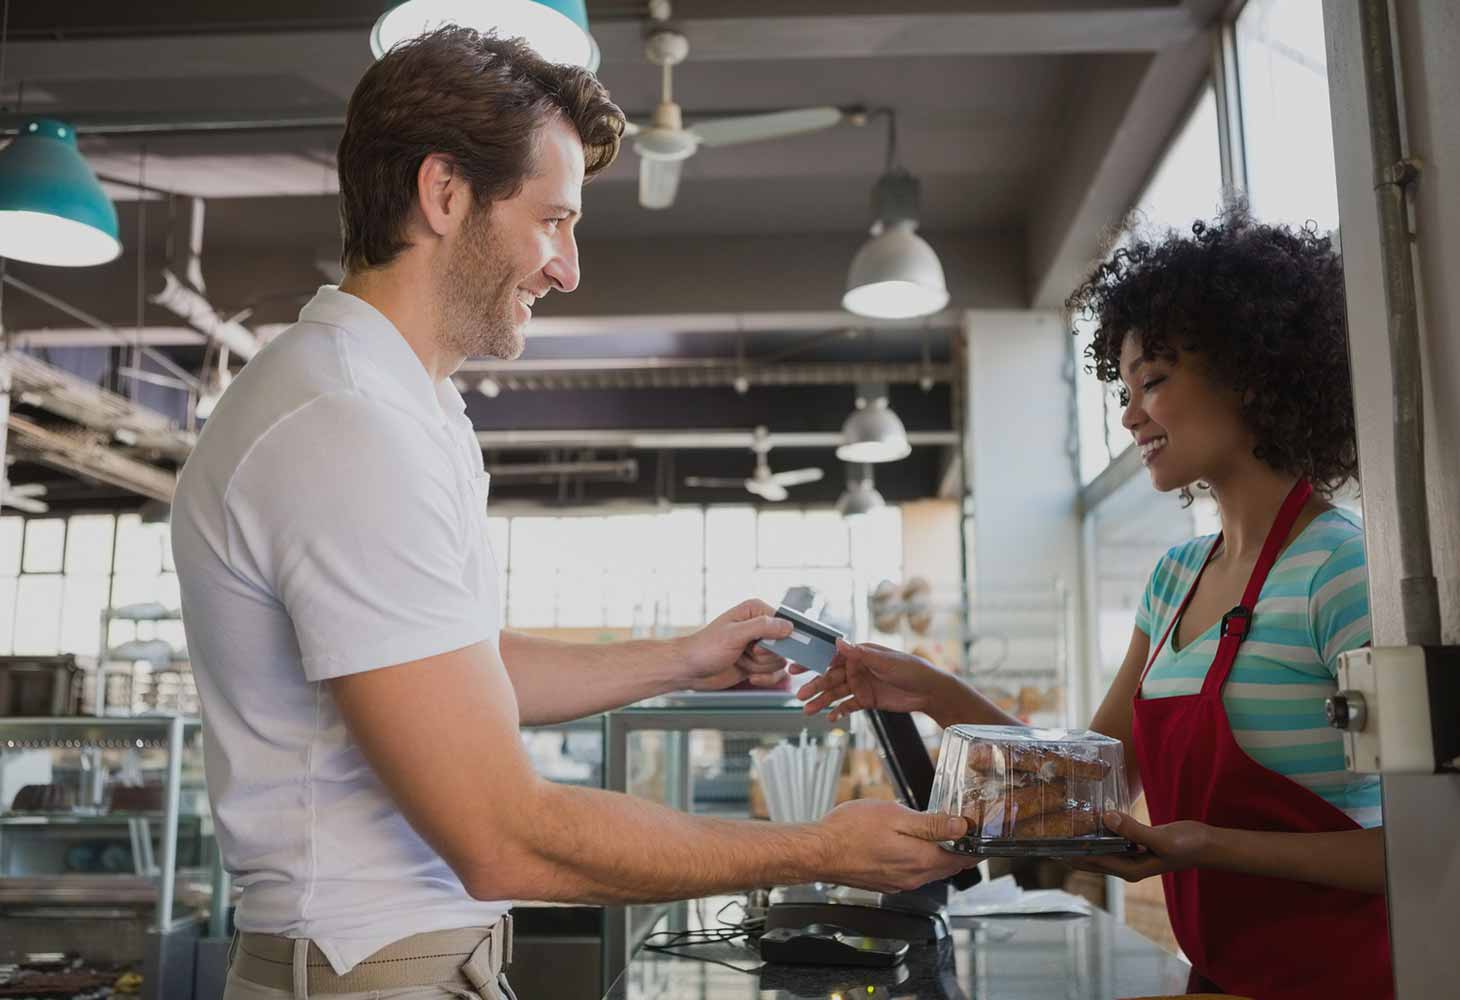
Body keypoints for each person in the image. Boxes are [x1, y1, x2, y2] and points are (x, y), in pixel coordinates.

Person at [172, 28, 974, 1000]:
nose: (568, 267)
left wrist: (684, 657)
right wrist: (815, 847)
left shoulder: (400, 404)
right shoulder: (345, 423)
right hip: (367, 972)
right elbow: (501, 837)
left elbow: (454, 663)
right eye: (553, 219)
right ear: (444, 193)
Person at [795, 210, 1392, 1000]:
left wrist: (1207, 845)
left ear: (1252, 373)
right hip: (1218, 978)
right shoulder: (1176, 577)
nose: (1130, 413)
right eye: (1125, 387)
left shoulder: (1342, 571)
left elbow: (1423, 843)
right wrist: (932, 693)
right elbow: (1092, 789)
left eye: (1154, 381)